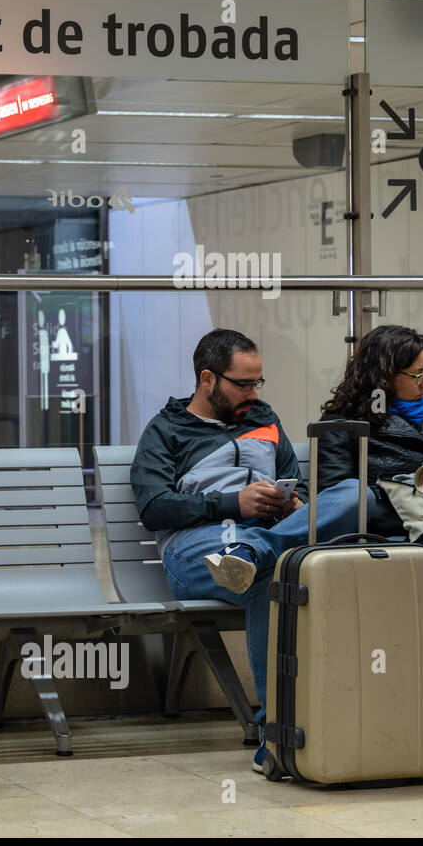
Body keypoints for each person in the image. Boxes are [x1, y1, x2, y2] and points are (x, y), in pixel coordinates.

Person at [130, 328, 371, 773]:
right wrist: (231, 503)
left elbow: (292, 480)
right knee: (269, 581)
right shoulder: (166, 430)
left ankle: (254, 550)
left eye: (258, 382)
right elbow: (154, 506)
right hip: (196, 549)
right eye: (243, 383)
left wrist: (292, 501)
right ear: (207, 379)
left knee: (359, 494)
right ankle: (273, 736)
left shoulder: (263, 417)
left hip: (261, 541)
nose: (253, 392)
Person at [316, 324, 423, 539]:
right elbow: (337, 503)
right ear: (385, 376)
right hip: (387, 536)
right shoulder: (343, 424)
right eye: (417, 375)